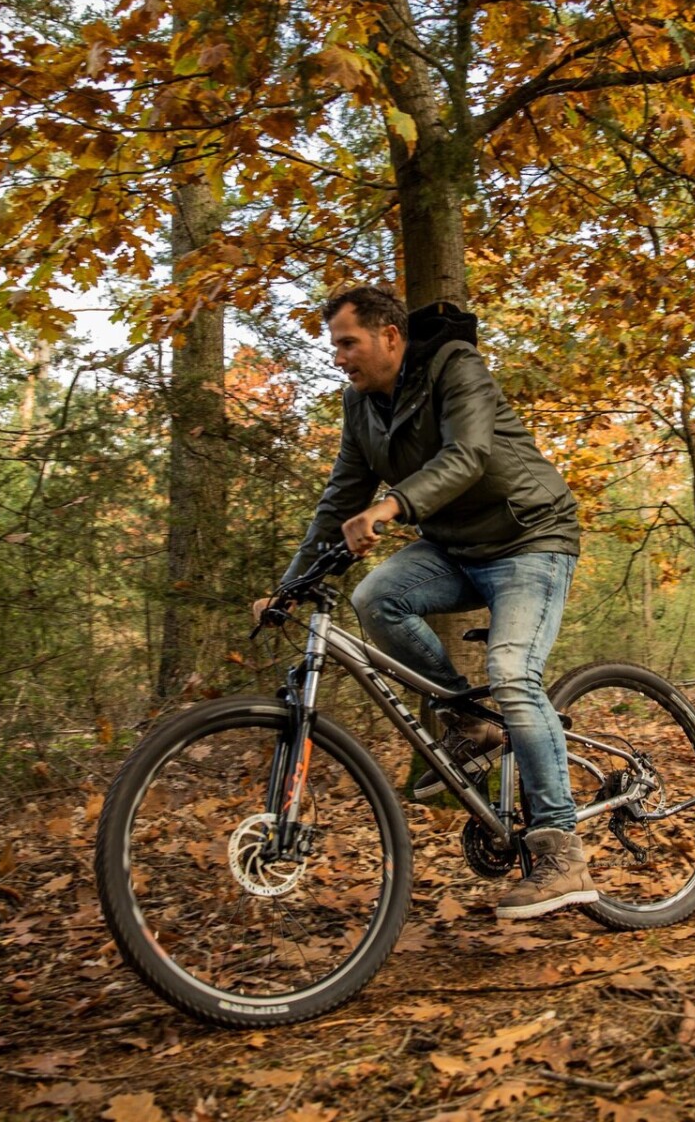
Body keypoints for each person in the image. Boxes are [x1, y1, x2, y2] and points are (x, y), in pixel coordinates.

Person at [257, 285, 592, 920]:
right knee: (376, 597)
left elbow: (468, 455)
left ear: (390, 336)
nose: (339, 358)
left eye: (348, 343)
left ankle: (561, 849)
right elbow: (339, 499)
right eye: (335, 347)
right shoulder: (361, 406)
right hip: (456, 547)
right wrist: (289, 587)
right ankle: (469, 723)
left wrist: (392, 506)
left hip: (531, 537)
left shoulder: (455, 367)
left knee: (512, 672)